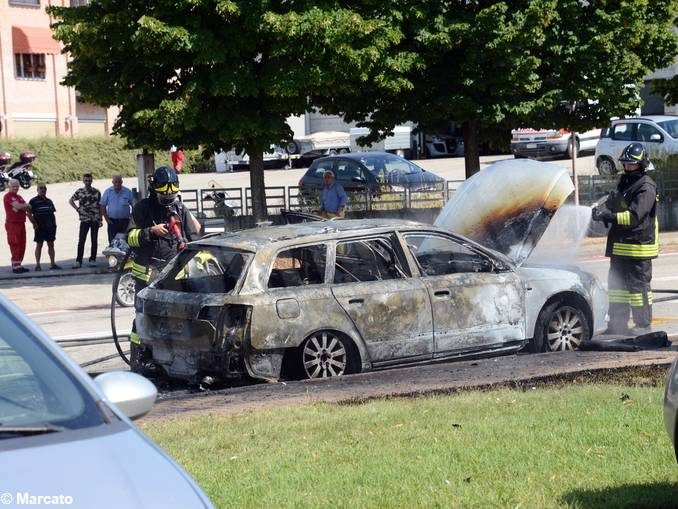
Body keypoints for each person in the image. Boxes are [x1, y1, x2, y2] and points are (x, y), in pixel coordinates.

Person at [127, 166, 200, 371]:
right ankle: (139, 360)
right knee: (145, 318)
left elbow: (194, 237)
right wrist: (150, 231)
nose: (168, 200)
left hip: (173, 276)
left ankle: (173, 362)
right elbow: (130, 238)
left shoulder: (179, 209)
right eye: (164, 197)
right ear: (154, 190)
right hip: (147, 276)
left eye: (171, 196)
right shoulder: (142, 208)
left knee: (176, 320)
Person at [591, 142, 659, 335]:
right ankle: (617, 325)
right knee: (617, 287)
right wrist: (603, 210)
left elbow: (634, 217)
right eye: (626, 163)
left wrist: (609, 217)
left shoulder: (646, 187)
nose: (628, 167)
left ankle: (643, 327)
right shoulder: (626, 182)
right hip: (620, 247)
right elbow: (618, 204)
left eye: (632, 164)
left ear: (642, 164)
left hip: (638, 247)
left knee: (639, 290)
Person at [69, 173, 102, 268]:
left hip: (95, 219)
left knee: (94, 240)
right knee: (81, 240)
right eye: (86, 180)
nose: (88, 182)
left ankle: (92, 259)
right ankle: (78, 260)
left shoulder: (97, 192)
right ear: (83, 181)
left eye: (89, 180)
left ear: (92, 181)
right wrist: (77, 209)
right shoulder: (79, 191)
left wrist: (100, 219)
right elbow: (71, 200)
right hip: (84, 219)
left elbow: (100, 206)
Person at [29, 184, 61, 271]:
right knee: (39, 245)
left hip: (50, 227)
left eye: (44, 188)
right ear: (37, 190)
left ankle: (53, 263)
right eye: (41, 188)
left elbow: (52, 213)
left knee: (51, 245)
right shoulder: (33, 201)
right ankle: (38, 265)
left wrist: (55, 225)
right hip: (39, 227)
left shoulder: (49, 201)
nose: (43, 190)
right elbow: (29, 214)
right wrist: (34, 224)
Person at [3, 179, 32, 273]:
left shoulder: (19, 196)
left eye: (17, 186)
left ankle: (19, 264)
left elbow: (29, 207)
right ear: (9, 186)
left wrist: (21, 206)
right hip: (12, 223)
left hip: (21, 222)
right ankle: (15, 266)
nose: (15, 188)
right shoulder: (8, 196)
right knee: (15, 243)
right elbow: (21, 207)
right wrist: (22, 206)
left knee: (22, 244)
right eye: (13, 186)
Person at [100, 175, 134, 244]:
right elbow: (102, 205)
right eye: (115, 182)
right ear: (112, 182)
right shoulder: (108, 192)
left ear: (122, 182)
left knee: (125, 241)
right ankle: (113, 255)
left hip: (125, 222)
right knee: (112, 241)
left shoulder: (127, 192)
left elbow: (134, 205)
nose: (117, 184)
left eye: (119, 182)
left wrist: (131, 217)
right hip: (112, 222)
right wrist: (107, 219)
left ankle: (124, 255)